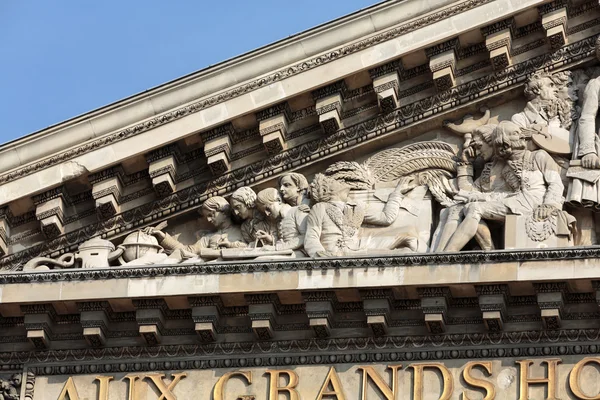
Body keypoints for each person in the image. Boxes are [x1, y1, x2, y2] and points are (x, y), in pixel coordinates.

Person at [444, 121, 565, 252]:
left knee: (475, 208)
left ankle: (449, 253)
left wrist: (549, 204)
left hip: (535, 201)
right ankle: (488, 251)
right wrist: (478, 195)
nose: (502, 152)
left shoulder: (538, 156)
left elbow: (556, 183)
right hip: (518, 200)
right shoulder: (506, 167)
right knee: (471, 207)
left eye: (502, 147)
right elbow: (504, 194)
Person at [434, 123, 512, 251]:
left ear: (492, 143)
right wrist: (465, 163)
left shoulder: (507, 165)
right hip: (485, 209)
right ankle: (438, 255)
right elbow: (468, 192)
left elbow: (516, 193)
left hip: (502, 209)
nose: (477, 152)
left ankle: (446, 254)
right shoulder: (488, 169)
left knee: (471, 208)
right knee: (451, 210)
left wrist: (481, 197)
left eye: (479, 146)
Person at [304, 174, 417, 257]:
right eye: (335, 181)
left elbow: (386, 218)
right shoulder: (320, 208)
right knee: (401, 253)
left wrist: (397, 193)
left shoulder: (356, 206)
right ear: (325, 189)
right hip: (336, 252)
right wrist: (318, 256)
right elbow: (311, 237)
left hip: (358, 246)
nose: (341, 180)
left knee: (409, 234)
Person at [144, 196, 246, 262]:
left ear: (223, 211)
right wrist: (163, 237)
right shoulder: (207, 237)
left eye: (211, 214)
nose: (209, 220)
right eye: (207, 217)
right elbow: (187, 250)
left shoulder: (243, 230)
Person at [255, 187, 309, 257]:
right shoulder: (278, 220)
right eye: (263, 212)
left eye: (268, 208)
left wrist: (276, 248)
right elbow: (284, 240)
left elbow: (306, 236)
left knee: (263, 259)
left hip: (299, 254)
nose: (267, 214)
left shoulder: (297, 211)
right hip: (286, 253)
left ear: (279, 200)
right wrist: (271, 240)